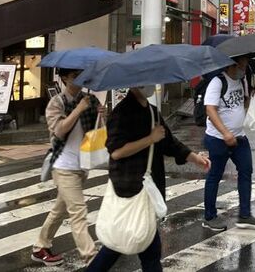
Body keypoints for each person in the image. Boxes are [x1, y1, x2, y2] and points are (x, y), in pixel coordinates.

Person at [87, 86, 210, 272]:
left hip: (148, 186)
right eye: (147, 81)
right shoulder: (121, 113)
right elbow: (117, 152)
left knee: (136, 247)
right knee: (134, 247)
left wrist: (196, 159)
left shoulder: (152, 112)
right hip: (130, 187)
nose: (152, 85)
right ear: (136, 83)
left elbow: (170, 143)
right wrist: (150, 138)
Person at [32, 68, 101, 267]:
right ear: (64, 78)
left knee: (59, 210)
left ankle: (40, 247)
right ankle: (91, 258)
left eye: (81, 75)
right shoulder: (57, 102)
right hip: (63, 165)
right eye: (74, 76)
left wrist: (101, 114)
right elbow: (60, 131)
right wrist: (78, 109)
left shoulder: (90, 100)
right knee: (78, 211)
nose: (79, 80)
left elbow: (99, 131)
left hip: (82, 165)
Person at [202, 55, 255, 232]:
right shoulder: (217, 82)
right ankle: (209, 217)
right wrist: (225, 133)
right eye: (243, 65)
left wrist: (252, 99)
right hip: (218, 138)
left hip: (239, 137)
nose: (245, 68)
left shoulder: (241, 80)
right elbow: (210, 109)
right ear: (233, 64)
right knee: (215, 176)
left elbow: (241, 103)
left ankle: (245, 215)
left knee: (246, 171)